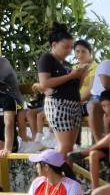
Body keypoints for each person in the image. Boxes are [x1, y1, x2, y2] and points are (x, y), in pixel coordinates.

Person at [37, 22, 88, 162]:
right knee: (65, 146)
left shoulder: (66, 65)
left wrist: (81, 75)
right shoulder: (47, 58)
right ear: (54, 44)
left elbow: (75, 86)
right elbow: (44, 83)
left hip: (73, 106)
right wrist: (71, 75)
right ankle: (55, 172)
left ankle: (67, 174)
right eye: (66, 47)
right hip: (58, 105)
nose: (69, 51)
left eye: (71, 48)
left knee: (70, 148)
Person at [69, 91, 110, 188]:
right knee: (94, 154)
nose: (107, 109)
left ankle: (84, 152)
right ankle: (94, 188)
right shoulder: (106, 117)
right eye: (104, 106)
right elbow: (106, 136)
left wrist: (109, 136)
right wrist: (106, 129)